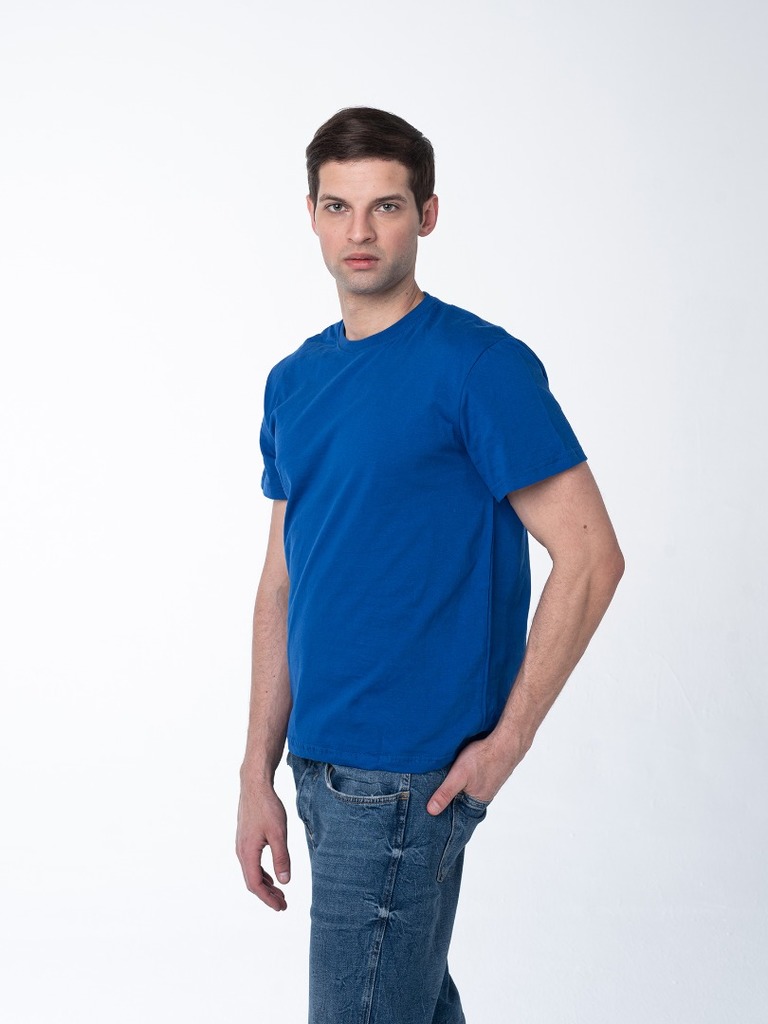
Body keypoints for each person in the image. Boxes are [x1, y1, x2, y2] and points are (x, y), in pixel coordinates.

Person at [236, 106, 624, 1024]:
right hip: (320, 767)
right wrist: (257, 770)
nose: (360, 231)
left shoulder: (478, 366)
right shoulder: (294, 381)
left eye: (387, 206)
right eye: (339, 206)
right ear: (311, 215)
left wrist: (509, 742)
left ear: (428, 215)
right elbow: (282, 581)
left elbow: (591, 556)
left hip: (408, 779)